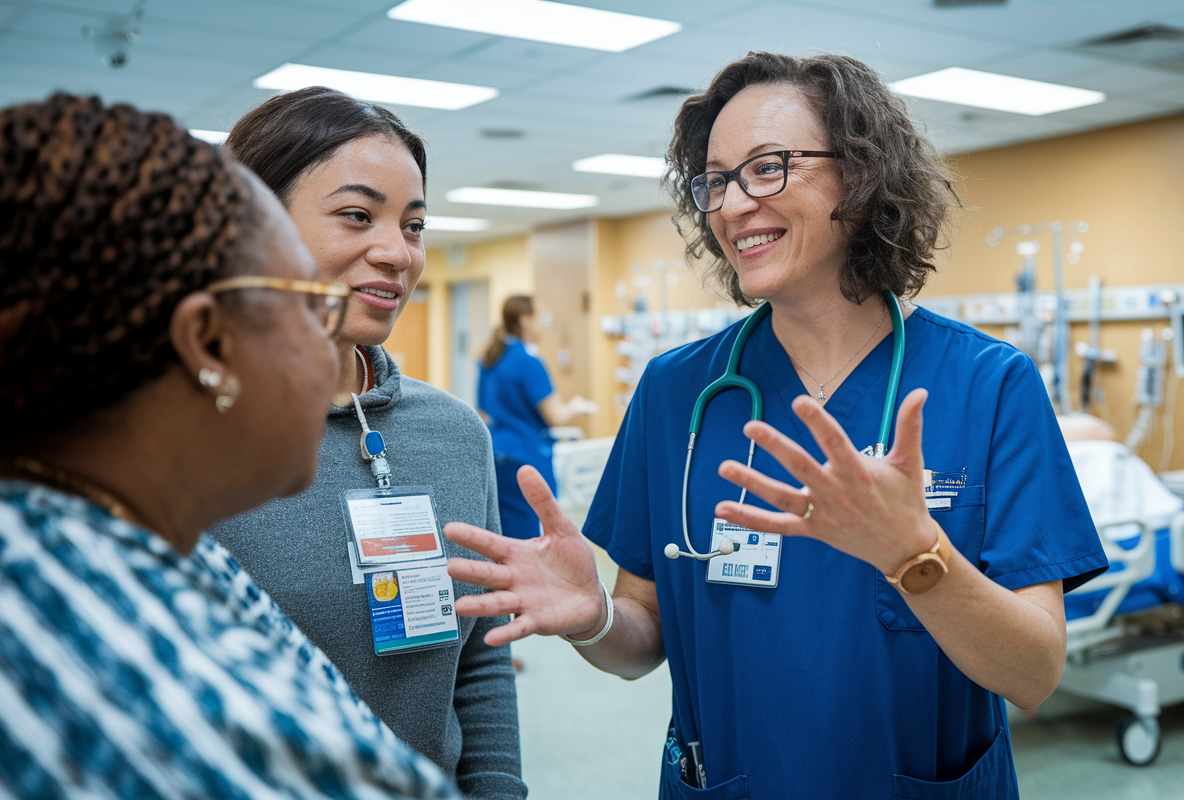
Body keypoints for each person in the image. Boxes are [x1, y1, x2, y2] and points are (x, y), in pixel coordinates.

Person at [443, 52, 1109, 798]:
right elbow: (643, 636)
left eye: (767, 168)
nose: (730, 205)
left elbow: (1034, 673)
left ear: (861, 175)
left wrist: (916, 556)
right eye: (716, 180)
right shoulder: (677, 394)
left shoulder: (986, 385)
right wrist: (594, 617)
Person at [0, 93, 458, 798]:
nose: (329, 343)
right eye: (308, 309)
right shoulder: (139, 677)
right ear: (209, 342)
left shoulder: (122, 547)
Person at [207, 88, 525, 799]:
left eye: (413, 225)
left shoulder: (453, 434)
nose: (396, 253)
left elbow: (477, 658)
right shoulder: (166, 439)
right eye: (357, 216)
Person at [477, 295, 596, 539]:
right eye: (540, 316)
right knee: (532, 539)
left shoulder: (490, 357)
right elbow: (556, 416)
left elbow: (483, 412)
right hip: (527, 460)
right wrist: (576, 406)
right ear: (526, 321)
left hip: (495, 457)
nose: (544, 323)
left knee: (504, 536)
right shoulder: (528, 361)